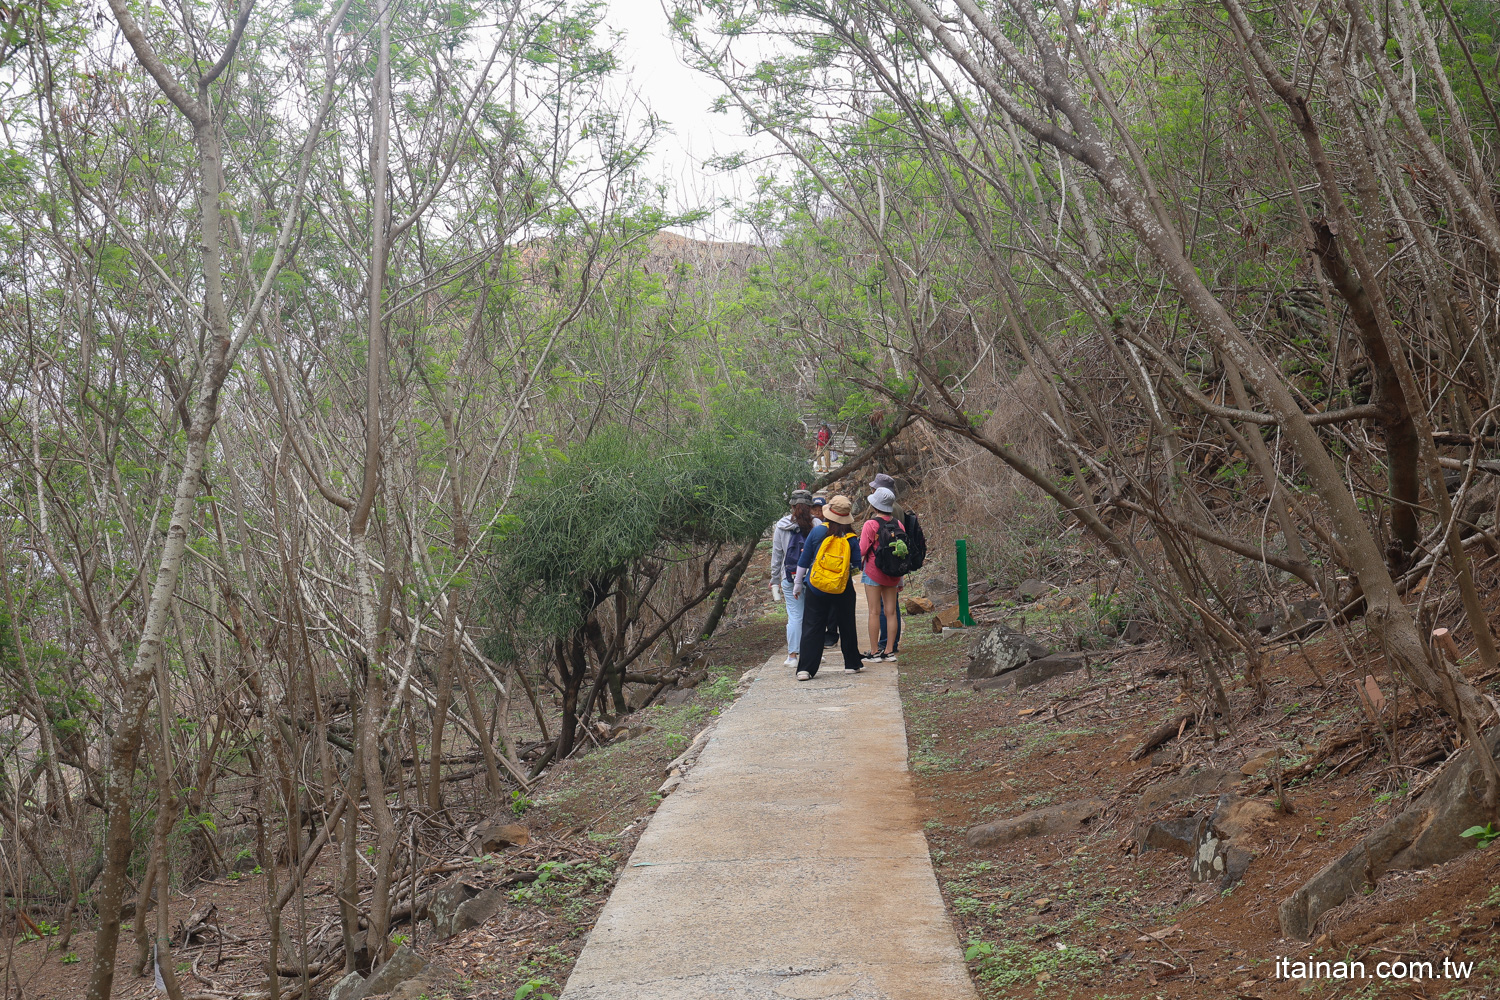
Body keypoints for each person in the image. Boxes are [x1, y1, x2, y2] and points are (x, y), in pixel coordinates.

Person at [791, 495, 866, 679]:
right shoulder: (851, 538)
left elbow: (804, 560)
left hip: (817, 587)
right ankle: (851, 664)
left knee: (812, 626)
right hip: (842, 588)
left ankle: (805, 669)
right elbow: (857, 565)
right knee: (847, 624)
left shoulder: (817, 533)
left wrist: (798, 584)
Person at [859, 486, 907, 661]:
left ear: (875, 506)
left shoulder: (870, 524)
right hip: (893, 573)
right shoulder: (898, 524)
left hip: (873, 571)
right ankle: (889, 651)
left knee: (873, 611)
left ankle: (874, 652)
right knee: (891, 612)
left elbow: (862, 549)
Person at [769, 490, 815, 669]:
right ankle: (810, 651)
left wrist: (774, 579)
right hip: (813, 577)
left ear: (792, 506)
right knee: (811, 615)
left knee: (795, 615)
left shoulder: (781, 526)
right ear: (810, 506)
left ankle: (793, 656)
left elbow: (777, 555)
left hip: (789, 576)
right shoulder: (817, 524)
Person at [869, 473, 904, 655]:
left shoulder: (873, 521)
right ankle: (890, 647)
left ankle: (879, 647)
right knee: (891, 610)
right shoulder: (898, 517)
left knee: (877, 611)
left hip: (876, 569)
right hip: (894, 568)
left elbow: (862, 548)